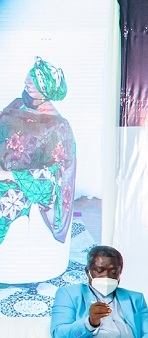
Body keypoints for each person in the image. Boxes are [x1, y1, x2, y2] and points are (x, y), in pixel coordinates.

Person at [0, 57, 76, 284]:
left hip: (27, 186)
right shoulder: (15, 107)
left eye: (32, 84)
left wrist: (10, 176)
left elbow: (58, 173)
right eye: (27, 80)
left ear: (46, 90)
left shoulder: (57, 126)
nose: (26, 84)